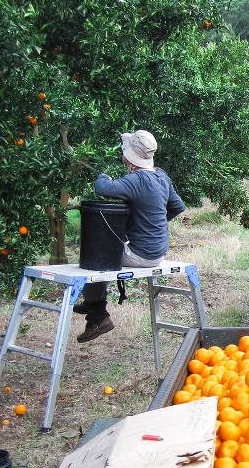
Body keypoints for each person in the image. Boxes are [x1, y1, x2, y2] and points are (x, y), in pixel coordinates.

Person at [74, 129, 185, 343]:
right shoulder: (161, 175)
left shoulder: (137, 180)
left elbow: (102, 187)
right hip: (158, 252)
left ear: (129, 156)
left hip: (140, 255)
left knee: (99, 252)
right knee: (109, 247)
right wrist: (153, 223)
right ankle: (93, 302)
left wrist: (103, 175)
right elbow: (178, 206)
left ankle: (98, 316)